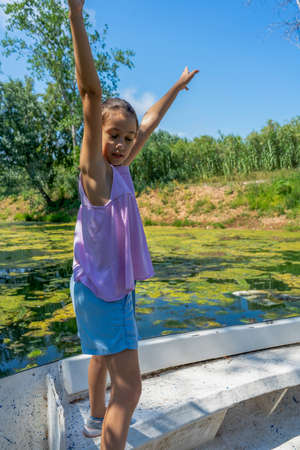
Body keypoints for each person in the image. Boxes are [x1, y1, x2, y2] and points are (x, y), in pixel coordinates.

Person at [67, 0, 198, 448]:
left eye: (127, 137)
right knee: (131, 388)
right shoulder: (97, 175)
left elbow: (151, 122)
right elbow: (90, 95)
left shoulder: (119, 166)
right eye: (113, 136)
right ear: (95, 135)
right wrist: (76, 15)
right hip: (106, 292)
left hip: (91, 283)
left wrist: (177, 87)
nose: (123, 143)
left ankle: (92, 419)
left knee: (101, 356)